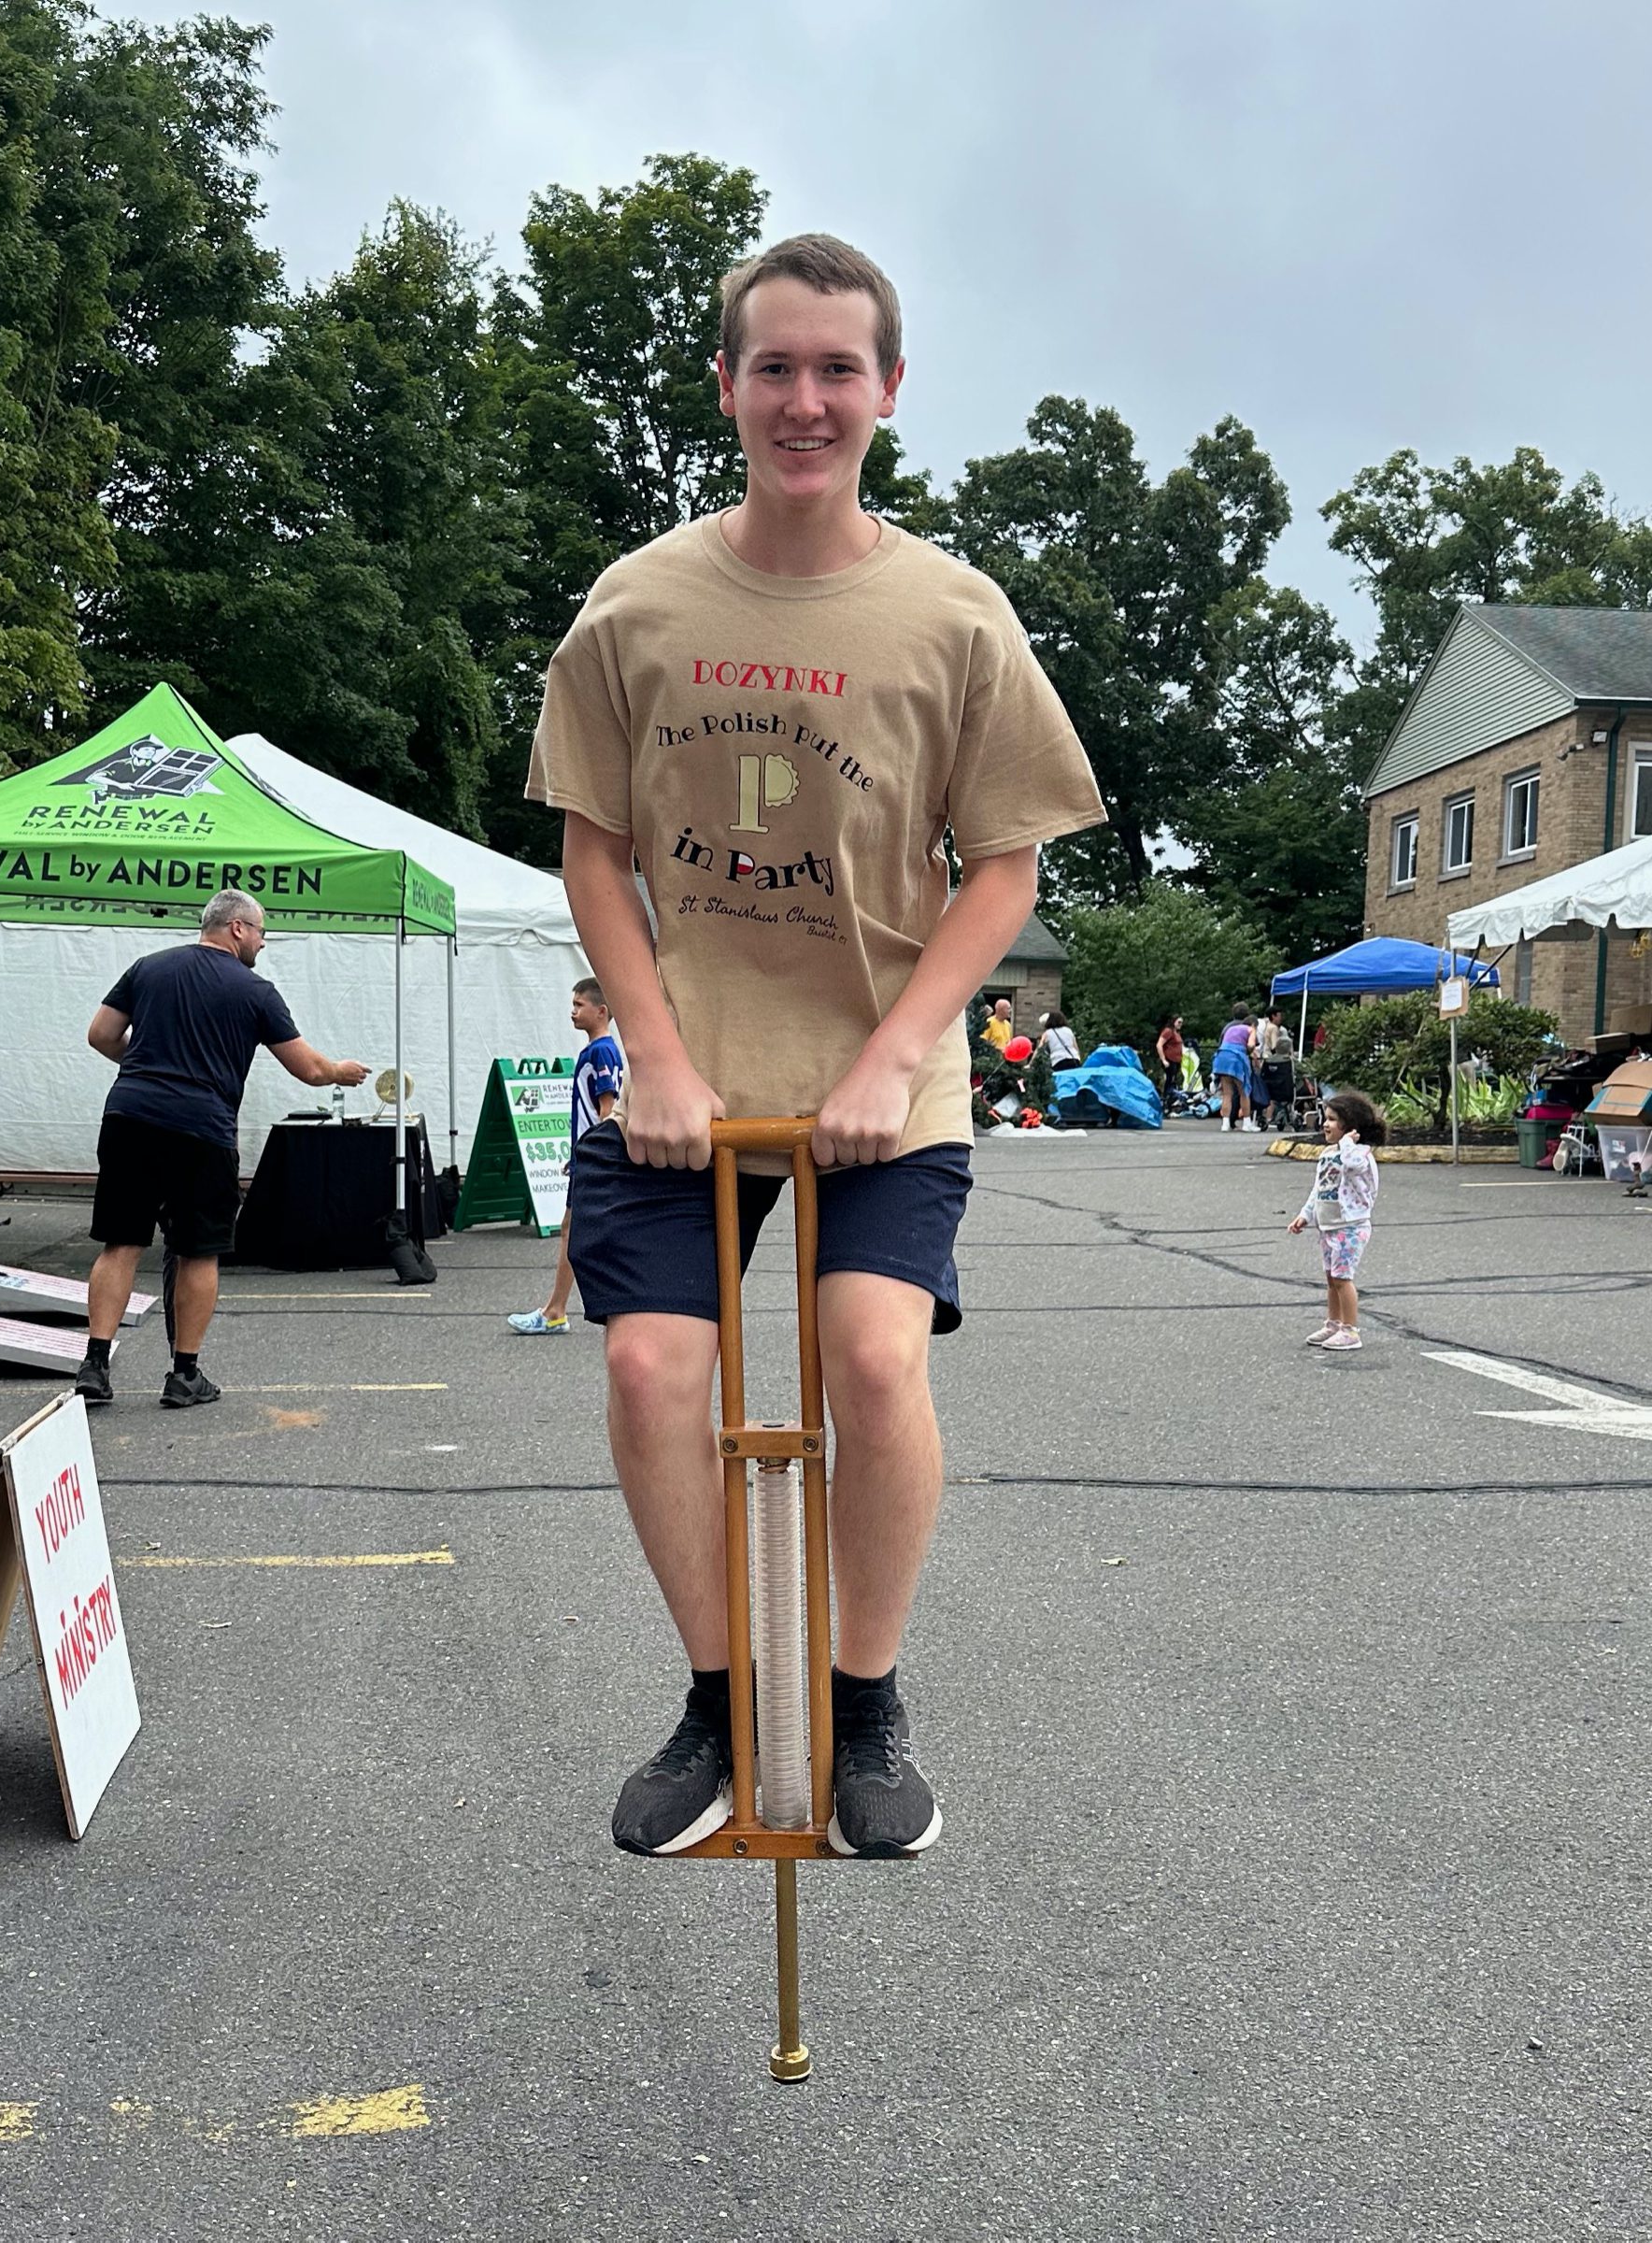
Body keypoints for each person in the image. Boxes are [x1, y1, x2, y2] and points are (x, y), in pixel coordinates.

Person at [526, 231, 1105, 1860]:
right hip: (685, 1068)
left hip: (882, 1065)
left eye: (837, 368)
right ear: (726, 385)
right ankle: (721, 1703)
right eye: (773, 366)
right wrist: (653, 1052)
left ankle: (865, 1706)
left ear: (889, 390)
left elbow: (1005, 871)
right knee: (650, 1365)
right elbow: (591, 849)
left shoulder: (954, 615)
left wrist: (895, 1055)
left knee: (871, 1358)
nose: (805, 400)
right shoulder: (638, 603)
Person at [73, 889, 368, 1408]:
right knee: (197, 1250)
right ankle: (184, 1374)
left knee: (121, 1243)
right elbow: (308, 1068)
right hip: (200, 1129)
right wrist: (340, 1072)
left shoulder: (148, 967)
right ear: (237, 928)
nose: (263, 943)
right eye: (261, 932)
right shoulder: (255, 991)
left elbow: (101, 1035)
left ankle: (95, 1365)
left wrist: (144, 1064)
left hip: (130, 1117)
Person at [508, 978, 623, 1335]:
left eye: (579, 1005)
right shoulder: (597, 1051)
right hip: (588, 1157)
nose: (572, 1012)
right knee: (575, 1230)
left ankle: (556, 1311)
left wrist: (593, 1152)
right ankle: (557, 1308)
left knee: (576, 1231)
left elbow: (607, 1109)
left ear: (601, 1011)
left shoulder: (601, 1052)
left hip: (596, 1158)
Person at [1287, 1088, 1385, 1351]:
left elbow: (1353, 1164)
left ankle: (1350, 1331)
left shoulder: (1359, 1154)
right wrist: (1305, 1214)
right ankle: (1333, 1323)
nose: (1325, 1124)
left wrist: (1348, 1143)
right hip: (1329, 1227)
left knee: (1343, 1278)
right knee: (1332, 1279)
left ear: (1350, 1126)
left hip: (1351, 1227)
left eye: (1332, 1119)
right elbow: (1319, 1189)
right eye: (1325, 1118)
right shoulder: (1328, 1153)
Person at [1211, 1005, 1259, 1134]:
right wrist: (1250, 1051)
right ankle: (1247, 1124)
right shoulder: (1251, 1029)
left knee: (1227, 1094)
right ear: (1253, 1025)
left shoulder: (1230, 1028)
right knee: (1244, 1092)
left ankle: (1225, 1124)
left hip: (1221, 1057)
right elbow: (1251, 1045)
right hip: (1236, 1059)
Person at [1257, 1004, 1296, 1133]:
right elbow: (1275, 1046)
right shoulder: (1274, 1028)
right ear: (1273, 1016)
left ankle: (1268, 1118)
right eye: (1279, 1015)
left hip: (1267, 1060)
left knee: (1271, 1091)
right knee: (1278, 1088)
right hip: (1275, 1060)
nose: (1281, 1017)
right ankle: (1274, 1117)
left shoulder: (1267, 1026)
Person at [1155, 1014, 1185, 1099]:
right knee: (1169, 1079)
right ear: (1174, 1021)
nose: (1180, 1024)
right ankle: (1165, 1097)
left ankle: (1170, 1098)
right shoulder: (1168, 1031)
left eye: (1181, 1023)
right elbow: (1159, 1045)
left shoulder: (1176, 1033)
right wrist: (1164, 1060)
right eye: (1179, 1022)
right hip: (1169, 1060)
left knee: (1173, 1080)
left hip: (1176, 1061)